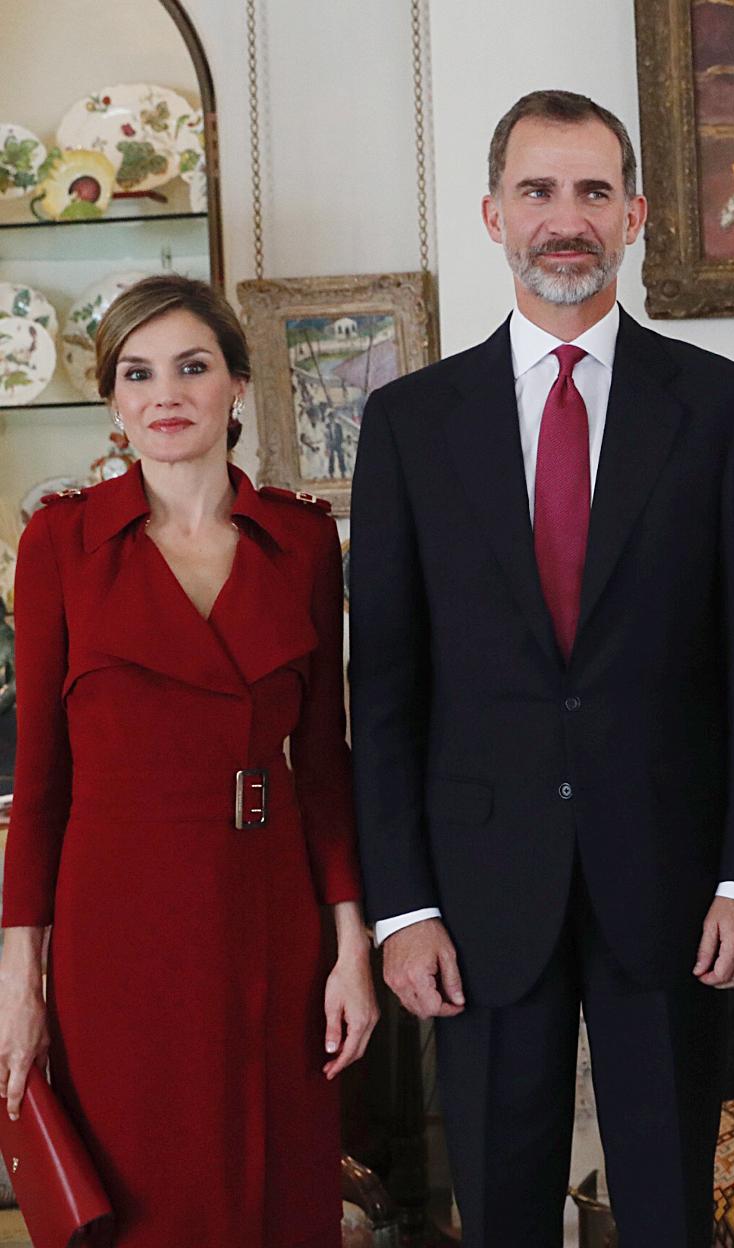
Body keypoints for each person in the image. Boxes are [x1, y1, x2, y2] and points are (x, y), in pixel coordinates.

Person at [350, 90, 734, 1248]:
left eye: (594, 191)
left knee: (666, 1210)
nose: (567, 218)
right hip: (478, 892)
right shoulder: (409, 424)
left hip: (672, 881)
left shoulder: (715, 407)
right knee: (502, 1211)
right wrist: (402, 905)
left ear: (636, 214)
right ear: (495, 213)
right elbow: (388, 689)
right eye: (540, 191)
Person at [0, 274, 378, 1248]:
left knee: (277, 1189)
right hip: (117, 924)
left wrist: (352, 946)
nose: (166, 393)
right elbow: (39, 787)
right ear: (115, 402)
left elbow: (327, 766)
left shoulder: (300, 540)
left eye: (192, 367)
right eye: (139, 372)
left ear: (237, 387)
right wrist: (19, 978)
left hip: (271, 908)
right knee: (149, 1198)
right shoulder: (59, 544)